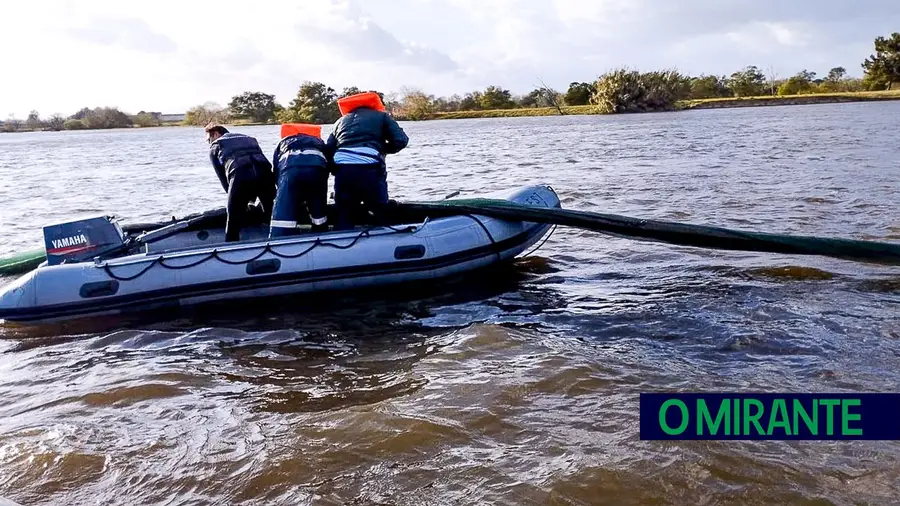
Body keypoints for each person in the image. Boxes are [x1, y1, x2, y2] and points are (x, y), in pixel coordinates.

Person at [325, 91, 408, 230]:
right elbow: (401, 140)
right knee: (379, 209)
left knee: (344, 211)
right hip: (370, 169)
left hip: (343, 170)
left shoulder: (339, 122)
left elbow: (329, 149)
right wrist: (382, 149)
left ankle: (342, 240)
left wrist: (335, 170)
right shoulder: (382, 117)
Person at [205, 124, 276, 242]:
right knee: (271, 210)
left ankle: (231, 245)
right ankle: (280, 239)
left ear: (216, 134)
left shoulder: (216, 146)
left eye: (208, 139)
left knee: (233, 216)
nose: (209, 142)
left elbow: (224, 180)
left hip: (241, 174)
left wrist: (239, 200)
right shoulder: (248, 139)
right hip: (266, 173)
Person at [269, 123, 331, 237]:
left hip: (290, 170)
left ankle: (280, 238)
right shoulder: (319, 142)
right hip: (316, 170)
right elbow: (328, 165)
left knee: (284, 211)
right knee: (318, 207)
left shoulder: (283, 142)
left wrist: (282, 189)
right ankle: (321, 232)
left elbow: (276, 170)